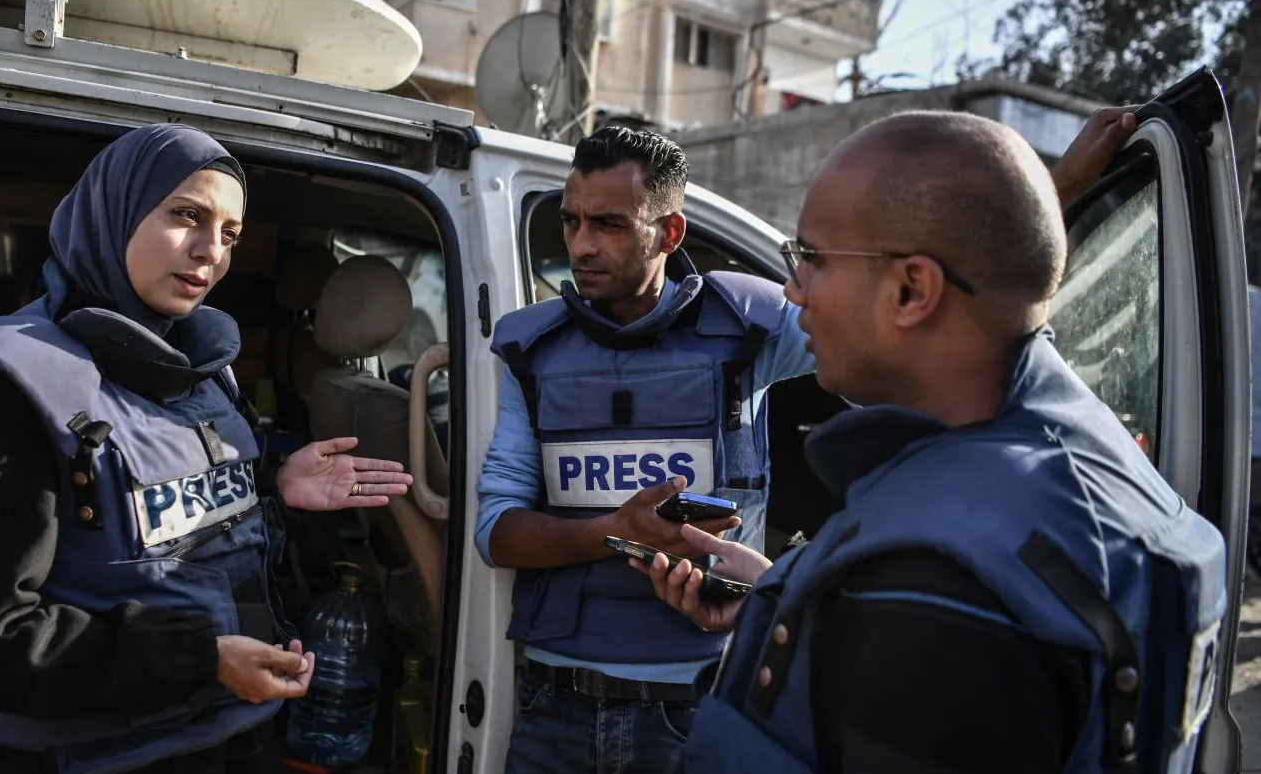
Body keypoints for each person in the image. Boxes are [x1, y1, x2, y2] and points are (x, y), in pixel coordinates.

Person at [634, 107, 1228, 773]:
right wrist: (780, 594)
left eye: (812, 259)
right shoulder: (1072, 450)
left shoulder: (932, 588)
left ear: (913, 290)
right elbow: (994, 279)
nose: (794, 291)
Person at [0, 124, 413, 774]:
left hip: (238, 736)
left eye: (229, 234)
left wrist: (271, 485)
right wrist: (203, 659)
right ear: (118, 209)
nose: (209, 253)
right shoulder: (10, 384)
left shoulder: (200, 366)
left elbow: (170, 524)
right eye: (186, 215)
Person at [475, 125, 814, 773]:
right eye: (571, 222)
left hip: (698, 703)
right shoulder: (531, 351)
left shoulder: (751, 325)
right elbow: (496, 532)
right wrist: (617, 531)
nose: (581, 245)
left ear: (671, 232)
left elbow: (886, 344)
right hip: (556, 705)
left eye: (609, 224)